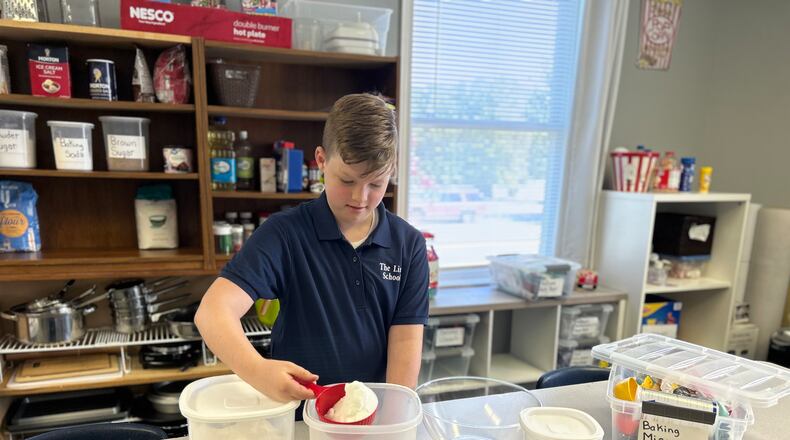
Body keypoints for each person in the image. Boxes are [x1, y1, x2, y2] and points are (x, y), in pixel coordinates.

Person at [195, 93, 429, 403]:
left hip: (375, 417)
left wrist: (394, 420)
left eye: (376, 184)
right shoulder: (284, 233)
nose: (360, 197)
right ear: (320, 160)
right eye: (346, 180)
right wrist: (259, 370)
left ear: (392, 169)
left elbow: (405, 347)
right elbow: (212, 312)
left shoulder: (408, 245)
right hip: (299, 414)